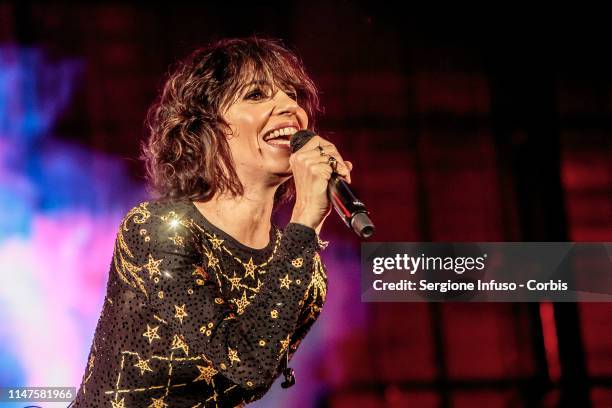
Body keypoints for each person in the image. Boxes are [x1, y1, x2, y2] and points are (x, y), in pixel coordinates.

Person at [71, 36, 352, 407]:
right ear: (204, 126)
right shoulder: (158, 230)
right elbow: (246, 360)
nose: (289, 107)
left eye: (292, 95)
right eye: (256, 94)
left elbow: (253, 379)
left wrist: (308, 227)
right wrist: (305, 220)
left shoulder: (308, 274)